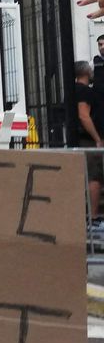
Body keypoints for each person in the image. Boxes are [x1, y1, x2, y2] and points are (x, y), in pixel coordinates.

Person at [71, 61, 103, 227]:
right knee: (94, 176)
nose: (92, 72)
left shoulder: (71, 91)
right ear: (85, 73)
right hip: (87, 139)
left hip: (74, 138)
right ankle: (94, 217)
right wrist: (97, 138)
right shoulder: (84, 91)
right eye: (90, 70)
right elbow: (84, 116)